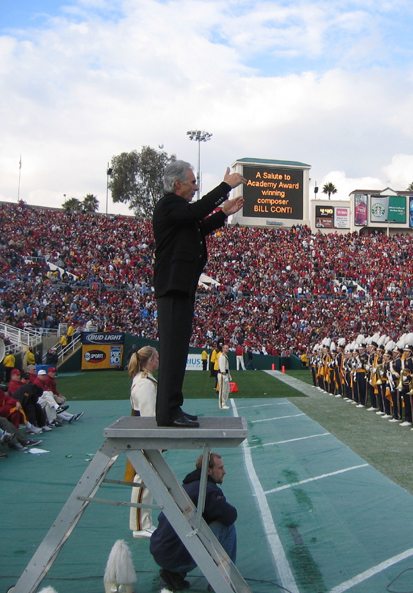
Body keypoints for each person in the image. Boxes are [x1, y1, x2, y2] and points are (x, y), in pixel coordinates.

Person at [152, 160, 245, 428]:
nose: (195, 187)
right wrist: (224, 188)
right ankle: (167, 413)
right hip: (172, 286)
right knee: (171, 351)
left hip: (181, 286)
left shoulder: (180, 212)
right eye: (192, 182)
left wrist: (223, 212)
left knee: (178, 350)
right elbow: (196, 213)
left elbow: (198, 226)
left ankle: (173, 408)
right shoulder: (169, 205)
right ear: (177, 183)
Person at [150, 452, 238, 590]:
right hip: (176, 556)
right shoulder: (207, 490)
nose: (224, 472)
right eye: (220, 468)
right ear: (208, 471)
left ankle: (173, 574)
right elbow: (230, 515)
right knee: (227, 527)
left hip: (161, 552)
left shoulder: (185, 487)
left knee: (190, 529)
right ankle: (223, 581)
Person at [125, 346, 159, 538]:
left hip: (143, 433)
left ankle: (144, 522)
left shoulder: (143, 379)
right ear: (150, 361)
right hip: (145, 436)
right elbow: (149, 416)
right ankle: (139, 525)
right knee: (143, 479)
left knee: (147, 480)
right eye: (157, 358)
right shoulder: (145, 383)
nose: (158, 361)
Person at [217, 341, 231, 410]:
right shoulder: (222, 356)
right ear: (223, 349)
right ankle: (222, 404)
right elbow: (222, 367)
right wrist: (224, 375)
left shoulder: (225, 356)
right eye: (226, 348)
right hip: (222, 375)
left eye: (228, 348)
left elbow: (227, 367)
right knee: (222, 390)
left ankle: (224, 402)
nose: (227, 349)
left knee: (226, 389)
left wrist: (229, 376)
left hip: (225, 374)